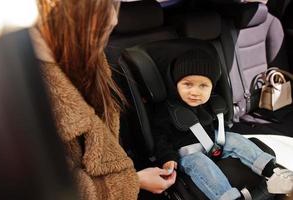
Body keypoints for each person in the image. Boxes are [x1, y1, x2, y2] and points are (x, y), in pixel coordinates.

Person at [31, 0, 176, 199]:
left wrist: (134, 179)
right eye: (102, 5)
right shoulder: (22, 95)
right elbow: (61, 189)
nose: (114, 19)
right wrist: (135, 181)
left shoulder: (92, 60)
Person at [152, 47, 293, 200]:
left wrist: (224, 137)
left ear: (212, 87)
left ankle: (272, 173)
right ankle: (229, 197)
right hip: (189, 155)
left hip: (215, 145)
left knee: (234, 138)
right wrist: (168, 158)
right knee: (200, 163)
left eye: (203, 86)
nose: (195, 92)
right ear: (175, 84)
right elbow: (160, 138)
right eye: (187, 84)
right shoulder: (168, 110)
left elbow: (221, 127)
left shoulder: (213, 103)